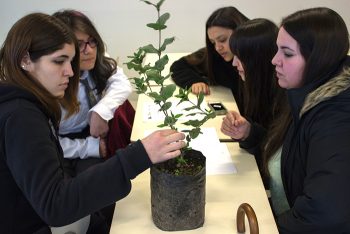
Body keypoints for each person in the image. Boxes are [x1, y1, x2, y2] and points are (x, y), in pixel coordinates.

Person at [0, 12, 185, 233]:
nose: (70, 72)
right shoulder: (22, 117)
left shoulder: (22, 104)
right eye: (59, 61)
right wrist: (138, 155)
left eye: (71, 61)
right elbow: (56, 204)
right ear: (25, 60)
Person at [269, 7, 350, 233]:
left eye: (287, 53)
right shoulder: (307, 94)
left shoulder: (337, 118)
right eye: (277, 50)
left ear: (318, 58)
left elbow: (325, 213)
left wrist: (268, 228)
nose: (275, 60)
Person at [53, 9, 134, 161]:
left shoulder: (95, 58)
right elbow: (46, 143)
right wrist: (89, 147)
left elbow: (121, 82)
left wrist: (100, 112)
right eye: (79, 44)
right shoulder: (52, 84)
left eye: (92, 41)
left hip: (93, 128)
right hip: (65, 143)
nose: (89, 50)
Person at [220, 18, 285, 185]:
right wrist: (248, 131)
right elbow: (269, 141)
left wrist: (250, 133)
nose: (234, 63)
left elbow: (279, 156)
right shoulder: (259, 85)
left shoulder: (285, 99)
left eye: (240, 57)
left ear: (258, 58)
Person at [170, 6, 249, 112]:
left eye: (222, 40)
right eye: (213, 42)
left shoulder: (261, 60)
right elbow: (179, 66)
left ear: (240, 32)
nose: (217, 48)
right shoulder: (214, 54)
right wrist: (195, 81)